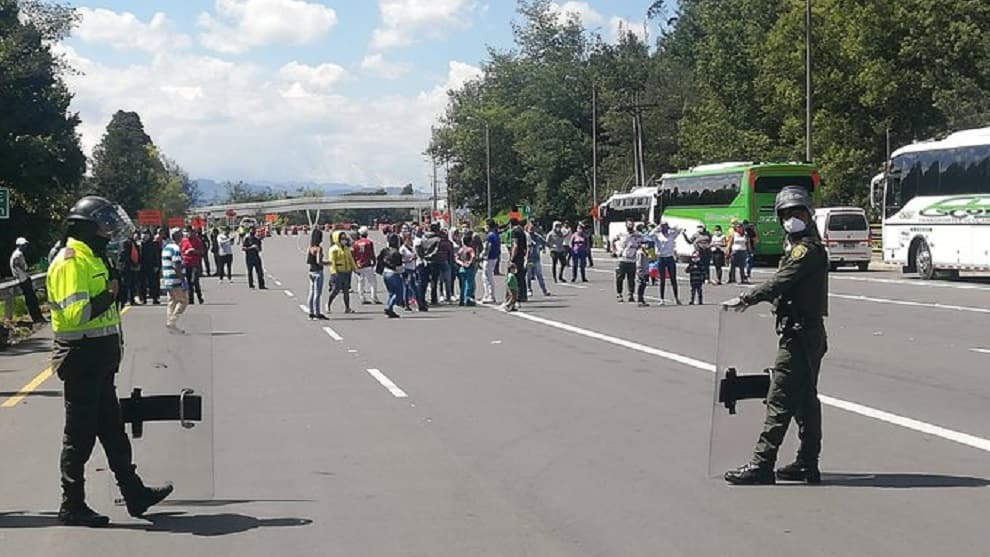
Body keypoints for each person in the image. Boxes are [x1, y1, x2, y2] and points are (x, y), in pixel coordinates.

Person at [46, 196, 173, 527]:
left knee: (113, 432)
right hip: (81, 359)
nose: (107, 231)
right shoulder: (71, 260)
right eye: (102, 225)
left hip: (98, 361)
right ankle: (71, 504)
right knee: (79, 436)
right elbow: (75, 315)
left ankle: (135, 494)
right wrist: (110, 295)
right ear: (86, 228)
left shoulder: (91, 257)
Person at [722, 186, 829, 485]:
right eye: (787, 214)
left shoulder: (805, 250)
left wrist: (746, 298)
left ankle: (762, 463)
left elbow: (779, 282)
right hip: (805, 333)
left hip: (799, 336)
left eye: (799, 212)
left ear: (809, 215)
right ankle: (808, 463)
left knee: (779, 399)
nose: (793, 218)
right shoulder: (801, 247)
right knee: (805, 401)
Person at [9, 237, 46, 323]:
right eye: (24, 245)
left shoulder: (14, 254)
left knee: (29, 299)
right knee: (32, 299)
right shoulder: (19, 255)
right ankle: (37, 317)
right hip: (24, 279)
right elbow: (24, 267)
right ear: (20, 245)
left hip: (21, 279)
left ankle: (36, 317)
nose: (25, 247)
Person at [161, 228, 187, 332]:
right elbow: (176, 265)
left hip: (167, 278)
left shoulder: (166, 247)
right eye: (181, 234)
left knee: (172, 302)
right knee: (183, 301)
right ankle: (172, 321)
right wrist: (182, 280)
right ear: (177, 236)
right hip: (174, 279)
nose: (183, 236)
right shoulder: (176, 248)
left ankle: (172, 325)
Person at [651, 222, 682, 305]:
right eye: (663, 227)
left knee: (673, 279)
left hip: (670, 258)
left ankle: (676, 298)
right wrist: (657, 227)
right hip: (661, 258)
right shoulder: (657, 235)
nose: (664, 228)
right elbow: (650, 235)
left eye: (665, 227)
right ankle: (662, 299)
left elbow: (679, 229)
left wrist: (671, 227)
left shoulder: (671, 234)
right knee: (662, 279)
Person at [327, 230, 356, 314]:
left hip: (347, 271)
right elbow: (332, 261)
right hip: (338, 272)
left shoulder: (346, 248)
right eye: (342, 238)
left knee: (346, 291)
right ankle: (328, 305)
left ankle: (347, 308)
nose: (344, 240)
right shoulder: (333, 249)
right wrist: (334, 272)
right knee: (336, 290)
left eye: (345, 238)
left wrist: (355, 269)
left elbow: (351, 260)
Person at [612, 218, 640, 303]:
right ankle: (619, 294)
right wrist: (614, 250)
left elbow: (643, 242)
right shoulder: (622, 234)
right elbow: (613, 240)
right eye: (629, 225)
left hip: (632, 260)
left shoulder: (637, 235)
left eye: (632, 225)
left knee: (631, 278)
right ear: (626, 225)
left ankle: (630, 294)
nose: (630, 227)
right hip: (623, 259)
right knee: (620, 277)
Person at [378, 234, 405, 318]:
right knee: (398, 292)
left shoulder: (385, 250)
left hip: (385, 272)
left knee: (391, 292)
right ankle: (389, 307)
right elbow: (399, 267)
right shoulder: (397, 253)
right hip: (394, 273)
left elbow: (379, 259)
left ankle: (390, 308)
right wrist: (404, 273)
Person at [352, 226, 381, 305]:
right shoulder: (369, 242)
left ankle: (362, 298)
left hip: (359, 264)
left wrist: (354, 265)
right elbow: (372, 253)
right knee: (372, 282)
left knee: (360, 282)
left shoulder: (355, 243)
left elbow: (353, 255)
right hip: (367, 264)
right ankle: (374, 298)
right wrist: (374, 261)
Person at [306, 229, 329, 320]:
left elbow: (309, 260)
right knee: (317, 293)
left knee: (311, 292)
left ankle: (311, 312)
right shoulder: (319, 249)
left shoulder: (309, 248)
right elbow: (319, 262)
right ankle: (317, 313)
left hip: (311, 271)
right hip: (318, 272)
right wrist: (328, 263)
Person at [180, 228, 205, 304]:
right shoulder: (183, 241)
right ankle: (190, 299)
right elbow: (180, 251)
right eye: (186, 232)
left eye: (189, 232)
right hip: (186, 264)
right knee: (188, 282)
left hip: (194, 264)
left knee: (194, 281)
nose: (187, 234)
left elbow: (202, 251)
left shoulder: (197, 241)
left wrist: (194, 251)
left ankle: (199, 296)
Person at [525, 223, 550, 297]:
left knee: (539, 274)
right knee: (528, 275)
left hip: (536, 258)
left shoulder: (537, 236)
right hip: (529, 258)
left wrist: (542, 248)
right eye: (530, 228)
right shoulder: (526, 236)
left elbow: (545, 242)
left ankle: (544, 290)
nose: (532, 229)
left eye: (533, 228)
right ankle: (529, 289)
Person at [481, 219, 501, 304]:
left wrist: (483, 255)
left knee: (487, 277)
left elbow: (487, 247)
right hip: (494, 257)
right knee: (488, 276)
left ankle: (490, 295)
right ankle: (487, 295)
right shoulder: (496, 234)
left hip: (489, 258)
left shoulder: (490, 235)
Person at [455, 230, 478, 307]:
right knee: (469, 284)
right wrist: (469, 262)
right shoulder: (470, 249)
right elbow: (473, 256)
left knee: (463, 285)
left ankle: (461, 300)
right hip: (469, 268)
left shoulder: (461, 249)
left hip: (462, 268)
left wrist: (462, 263)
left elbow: (456, 258)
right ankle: (467, 299)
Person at [509, 218, 529, 303]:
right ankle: (523, 295)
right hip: (521, 256)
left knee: (514, 278)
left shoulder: (515, 232)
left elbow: (515, 245)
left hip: (516, 257)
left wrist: (512, 258)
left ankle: (514, 296)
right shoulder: (522, 232)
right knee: (521, 277)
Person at [139, 230, 161, 305]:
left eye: (146, 234)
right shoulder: (140, 244)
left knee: (153, 283)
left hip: (152, 266)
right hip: (142, 266)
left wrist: (157, 265)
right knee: (142, 283)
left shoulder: (154, 244)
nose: (144, 235)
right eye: (143, 234)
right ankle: (143, 299)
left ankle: (155, 298)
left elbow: (157, 256)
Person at [726, 219, 750, 284]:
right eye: (738, 227)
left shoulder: (745, 234)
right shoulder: (734, 234)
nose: (739, 228)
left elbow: (748, 243)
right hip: (735, 251)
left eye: (740, 227)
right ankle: (732, 279)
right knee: (732, 266)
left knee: (742, 266)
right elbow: (730, 243)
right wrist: (728, 250)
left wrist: (749, 251)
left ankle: (743, 279)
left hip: (743, 251)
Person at [635, 238, 656, 307]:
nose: (646, 245)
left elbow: (651, 259)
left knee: (644, 285)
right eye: (644, 243)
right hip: (641, 271)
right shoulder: (640, 252)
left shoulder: (646, 252)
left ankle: (642, 299)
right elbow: (639, 263)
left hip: (646, 271)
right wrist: (639, 271)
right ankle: (640, 300)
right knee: (641, 285)